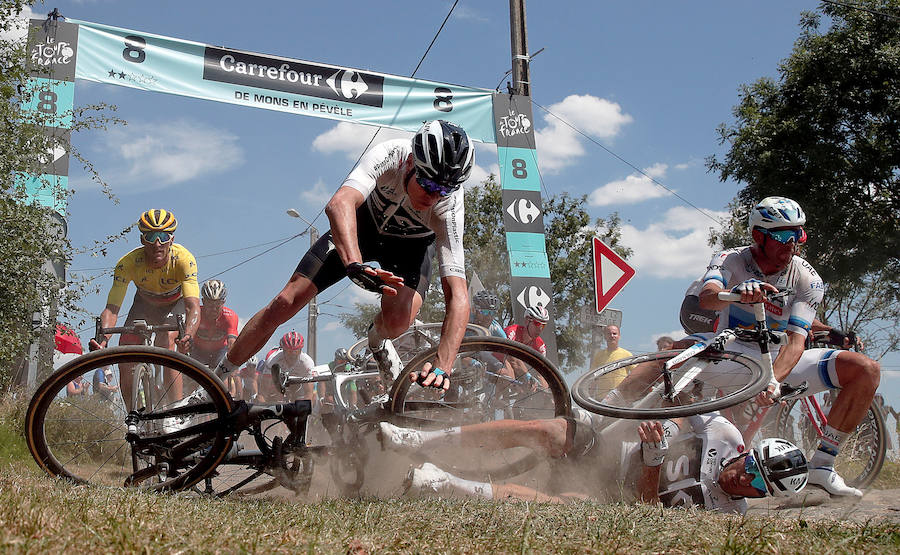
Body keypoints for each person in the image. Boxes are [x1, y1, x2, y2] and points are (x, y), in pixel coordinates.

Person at [218, 120, 475, 394]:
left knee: (400, 321)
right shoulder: (392, 155)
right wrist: (353, 263)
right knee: (285, 301)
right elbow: (339, 203)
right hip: (362, 229)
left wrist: (442, 365)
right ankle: (217, 378)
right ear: (412, 162)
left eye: (443, 190)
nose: (434, 196)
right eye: (427, 183)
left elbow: (457, 295)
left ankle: (377, 341)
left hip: (411, 248)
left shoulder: (449, 206)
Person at [694, 196, 880, 497]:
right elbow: (708, 297)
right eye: (782, 235)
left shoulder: (808, 278)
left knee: (865, 370)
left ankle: (822, 466)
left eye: (798, 234)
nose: (792, 243)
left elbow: (797, 341)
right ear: (758, 236)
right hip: (733, 356)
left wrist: (772, 382)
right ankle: (599, 424)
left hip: (778, 361)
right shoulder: (731, 259)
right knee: (662, 362)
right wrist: (736, 293)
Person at [381, 412, 808, 514]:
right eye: (752, 469)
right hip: (611, 455)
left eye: (758, 487)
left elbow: (646, 508)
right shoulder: (727, 436)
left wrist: (655, 462)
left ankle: (440, 481)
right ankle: (424, 436)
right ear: (750, 456)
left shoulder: (726, 515)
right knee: (552, 430)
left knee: (564, 507)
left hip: (618, 495)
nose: (745, 481)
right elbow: (685, 410)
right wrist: (670, 434)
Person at [88, 209, 200, 409]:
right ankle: (134, 414)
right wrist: (103, 339)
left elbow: (193, 307)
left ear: (171, 239)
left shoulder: (184, 259)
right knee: (125, 353)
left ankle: (174, 410)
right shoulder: (128, 263)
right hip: (144, 305)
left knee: (167, 342)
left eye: (163, 236)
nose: (157, 243)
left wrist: (188, 335)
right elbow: (112, 309)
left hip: (175, 305)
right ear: (142, 239)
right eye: (151, 236)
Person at [191, 279, 238, 369]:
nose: (214, 309)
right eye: (210, 305)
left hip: (220, 351)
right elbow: (186, 337)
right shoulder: (196, 314)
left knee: (224, 372)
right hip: (198, 350)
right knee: (192, 376)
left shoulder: (230, 316)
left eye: (217, 306)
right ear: (203, 302)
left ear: (223, 303)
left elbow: (232, 343)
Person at [258, 332, 315, 403]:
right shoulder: (273, 360)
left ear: (300, 351)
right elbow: (263, 393)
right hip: (277, 382)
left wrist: (306, 410)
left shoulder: (307, 363)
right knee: (275, 398)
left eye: (296, 351)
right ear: (283, 350)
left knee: (302, 401)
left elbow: (309, 393)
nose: (292, 355)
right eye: (289, 351)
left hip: (297, 383)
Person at [503, 305, 550, 387]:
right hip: (501, 359)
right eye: (537, 323)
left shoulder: (540, 345)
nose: (539, 329)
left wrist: (546, 393)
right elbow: (511, 359)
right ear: (527, 321)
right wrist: (527, 376)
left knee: (542, 387)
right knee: (509, 372)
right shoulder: (512, 332)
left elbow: (541, 372)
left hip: (520, 370)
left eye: (543, 325)